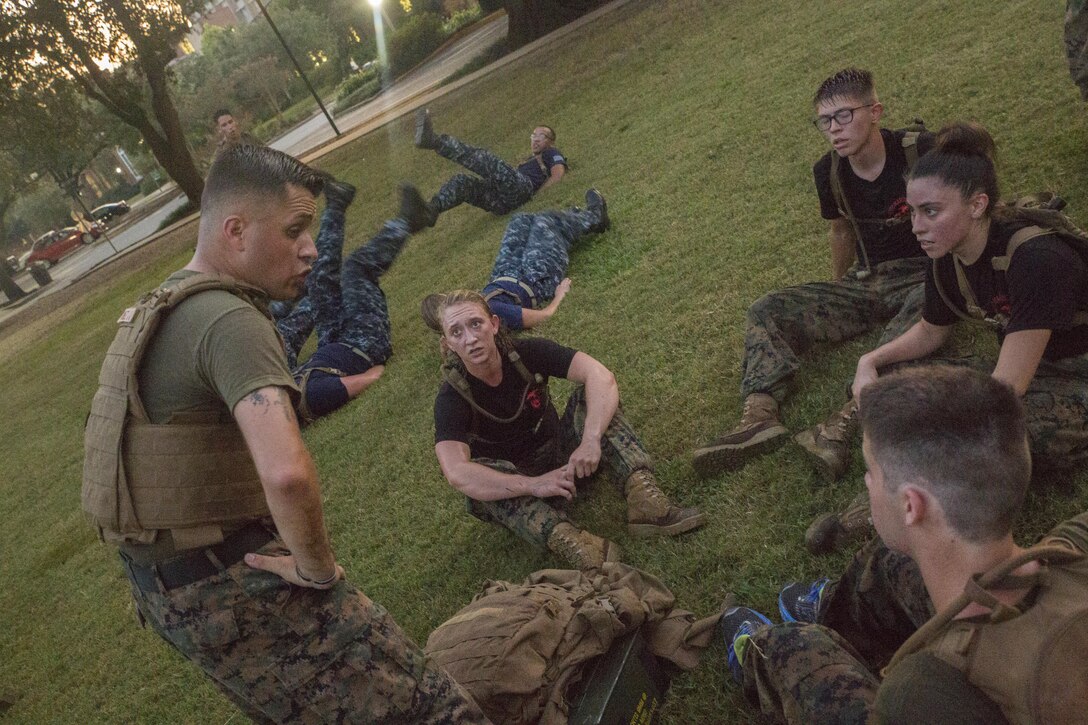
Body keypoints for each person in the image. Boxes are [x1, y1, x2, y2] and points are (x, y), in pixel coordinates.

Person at [81, 144, 488, 723]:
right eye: (295, 229)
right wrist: (315, 569)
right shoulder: (229, 320)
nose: (311, 248)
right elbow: (288, 473)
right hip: (236, 587)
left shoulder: (163, 303)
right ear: (236, 230)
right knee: (431, 708)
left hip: (170, 594)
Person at [719, 365, 1088, 723]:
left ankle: (757, 651)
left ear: (911, 505)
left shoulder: (918, 694)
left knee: (794, 648)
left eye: (872, 471)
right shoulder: (1075, 544)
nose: (866, 482)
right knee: (893, 560)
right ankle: (832, 610)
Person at [692, 68, 934, 482]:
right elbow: (840, 229)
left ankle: (842, 423)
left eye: (844, 116)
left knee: (922, 318)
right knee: (768, 309)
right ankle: (760, 413)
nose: (834, 130)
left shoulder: (920, 151)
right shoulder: (830, 172)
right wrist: (839, 291)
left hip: (929, 274)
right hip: (871, 277)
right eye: (825, 121)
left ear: (874, 111)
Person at [429, 289, 706, 570]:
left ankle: (646, 503)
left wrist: (590, 440)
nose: (471, 338)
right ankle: (574, 543)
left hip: (564, 457)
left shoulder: (526, 353)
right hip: (518, 486)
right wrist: (533, 485)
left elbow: (599, 375)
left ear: (494, 324)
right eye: (457, 332)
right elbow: (456, 471)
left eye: (476, 324)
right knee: (478, 484)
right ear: (449, 343)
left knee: (592, 399)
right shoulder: (452, 397)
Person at [275, 182, 438, 422]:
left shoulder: (282, 385)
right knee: (356, 268)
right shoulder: (311, 395)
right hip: (365, 341)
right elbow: (373, 377)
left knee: (318, 277)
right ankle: (408, 221)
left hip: (331, 338)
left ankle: (337, 201)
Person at [420, 189, 609, 332]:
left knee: (521, 219)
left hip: (504, 273)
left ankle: (569, 220)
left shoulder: (472, 306)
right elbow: (543, 316)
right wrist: (560, 295)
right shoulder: (489, 312)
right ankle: (594, 217)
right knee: (544, 223)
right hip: (535, 278)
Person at [414, 109, 567, 218]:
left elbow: (558, 174)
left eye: (542, 136)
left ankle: (435, 141)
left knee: (486, 159)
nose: (536, 139)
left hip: (522, 189)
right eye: (534, 135)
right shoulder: (530, 160)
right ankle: (431, 210)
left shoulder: (551, 153)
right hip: (501, 203)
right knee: (462, 183)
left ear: (551, 142)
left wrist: (536, 196)